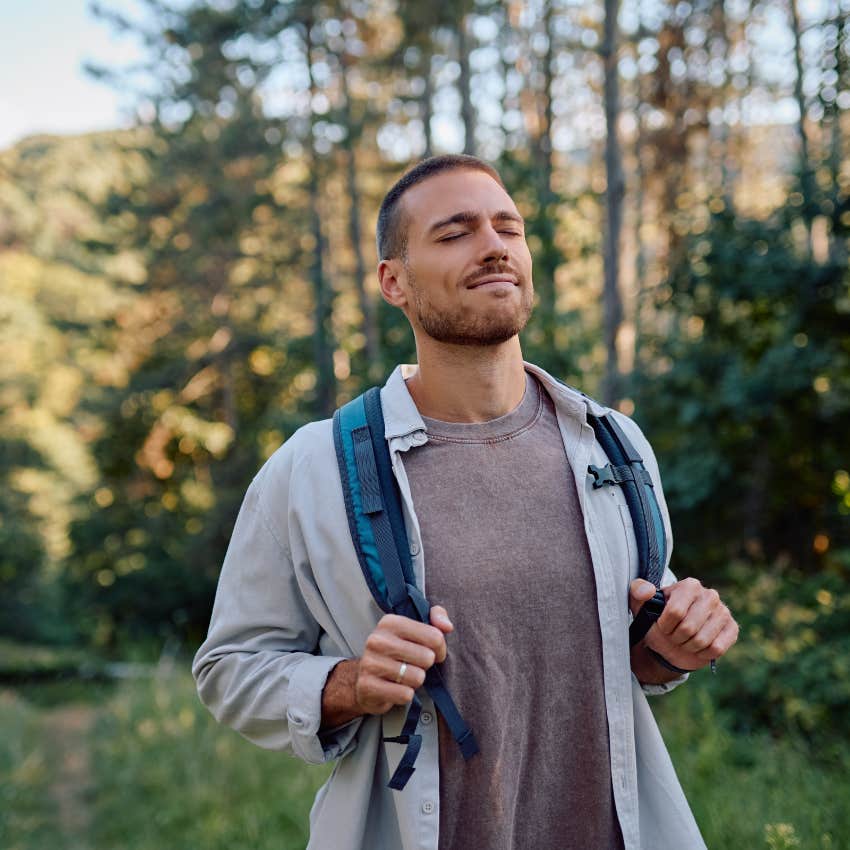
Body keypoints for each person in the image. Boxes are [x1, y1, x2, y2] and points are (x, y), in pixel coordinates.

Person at [192, 154, 739, 850]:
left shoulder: (613, 444)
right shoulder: (312, 468)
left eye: (508, 228)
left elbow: (631, 656)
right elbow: (229, 668)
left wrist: (679, 641)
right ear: (394, 281)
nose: (493, 246)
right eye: (455, 233)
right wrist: (353, 683)